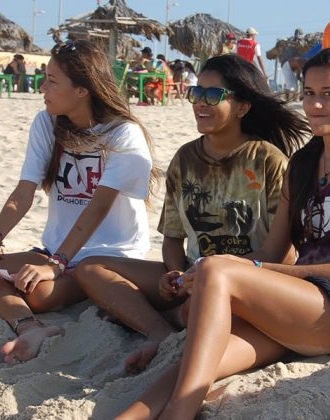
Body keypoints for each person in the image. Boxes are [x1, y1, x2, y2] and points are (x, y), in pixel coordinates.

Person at [117, 46, 330, 419]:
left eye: (329, 94)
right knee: (199, 364)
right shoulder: (305, 163)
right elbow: (273, 251)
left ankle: (179, 415)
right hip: (305, 303)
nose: (315, 105)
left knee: (216, 270)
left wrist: (236, 270)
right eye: (308, 93)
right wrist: (225, 272)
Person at [75, 53, 310, 373]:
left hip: (250, 282)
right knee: (90, 269)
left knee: (205, 302)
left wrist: (211, 276)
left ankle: (168, 318)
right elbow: (173, 239)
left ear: (242, 106)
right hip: (191, 276)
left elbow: (284, 253)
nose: (200, 102)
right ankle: (162, 330)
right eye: (196, 93)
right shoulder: (185, 159)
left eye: (213, 95)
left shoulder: (268, 160)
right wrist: (174, 274)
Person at [0, 40, 158, 364]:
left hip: (108, 255)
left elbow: (98, 207)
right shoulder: (47, 123)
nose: (44, 87)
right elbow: (24, 192)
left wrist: (56, 265)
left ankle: (106, 297)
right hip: (60, 250)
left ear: (82, 90)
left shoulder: (123, 133)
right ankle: (30, 327)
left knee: (37, 292)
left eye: (52, 81)